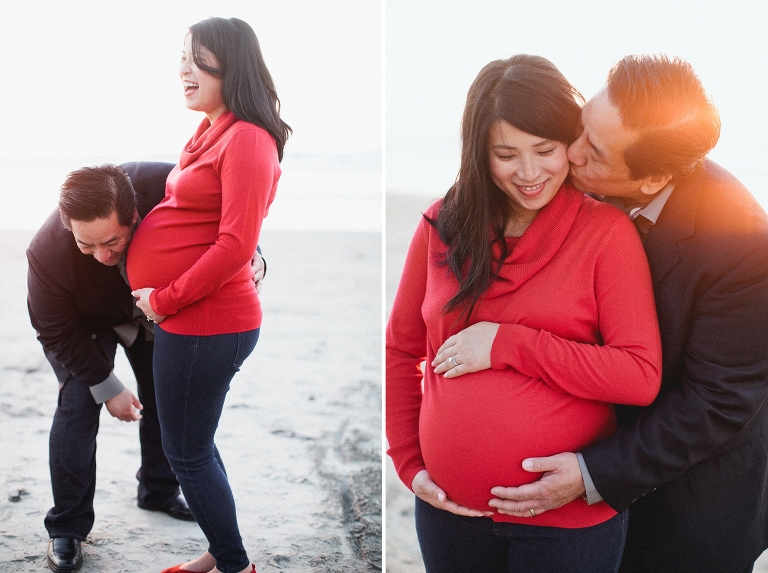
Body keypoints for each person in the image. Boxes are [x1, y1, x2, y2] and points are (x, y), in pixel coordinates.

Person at [477, 55, 768, 573]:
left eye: (596, 152)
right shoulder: (573, 173)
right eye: (582, 124)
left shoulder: (742, 242)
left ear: (652, 179)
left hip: (690, 493)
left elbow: (718, 402)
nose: (572, 152)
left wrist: (594, 471)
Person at [385, 54, 662, 573]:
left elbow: (639, 375)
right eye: (506, 153)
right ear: (479, 152)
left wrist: (506, 343)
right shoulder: (440, 222)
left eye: (545, 149)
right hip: (450, 514)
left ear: (571, 144)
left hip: (564, 526)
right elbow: (401, 348)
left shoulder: (605, 233)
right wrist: (407, 461)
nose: (530, 173)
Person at [128, 17, 290, 573]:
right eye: (181, 58)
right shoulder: (212, 128)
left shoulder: (248, 136)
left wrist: (164, 299)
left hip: (207, 323)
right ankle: (221, 553)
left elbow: (235, 244)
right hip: (196, 322)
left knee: (187, 453)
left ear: (231, 64)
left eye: (197, 60)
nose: (184, 70)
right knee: (194, 444)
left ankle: (234, 564)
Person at [28, 162, 191, 573]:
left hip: (151, 309)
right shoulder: (46, 251)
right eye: (87, 245)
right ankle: (66, 528)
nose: (101, 255)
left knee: (166, 397)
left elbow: (233, 215)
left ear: (134, 214)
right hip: (86, 327)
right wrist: (107, 385)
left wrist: (257, 257)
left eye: (113, 241)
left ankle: (158, 490)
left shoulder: (170, 183)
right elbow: (54, 333)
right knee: (78, 406)